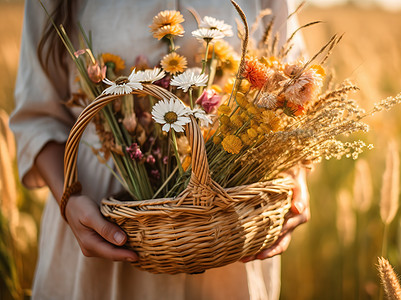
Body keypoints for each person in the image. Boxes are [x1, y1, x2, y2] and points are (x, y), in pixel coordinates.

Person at [10, 0, 310, 299]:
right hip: (103, 224)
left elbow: (293, 89)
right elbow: (38, 117)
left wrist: (293, 181)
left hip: (230, 225)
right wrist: (70, 198)